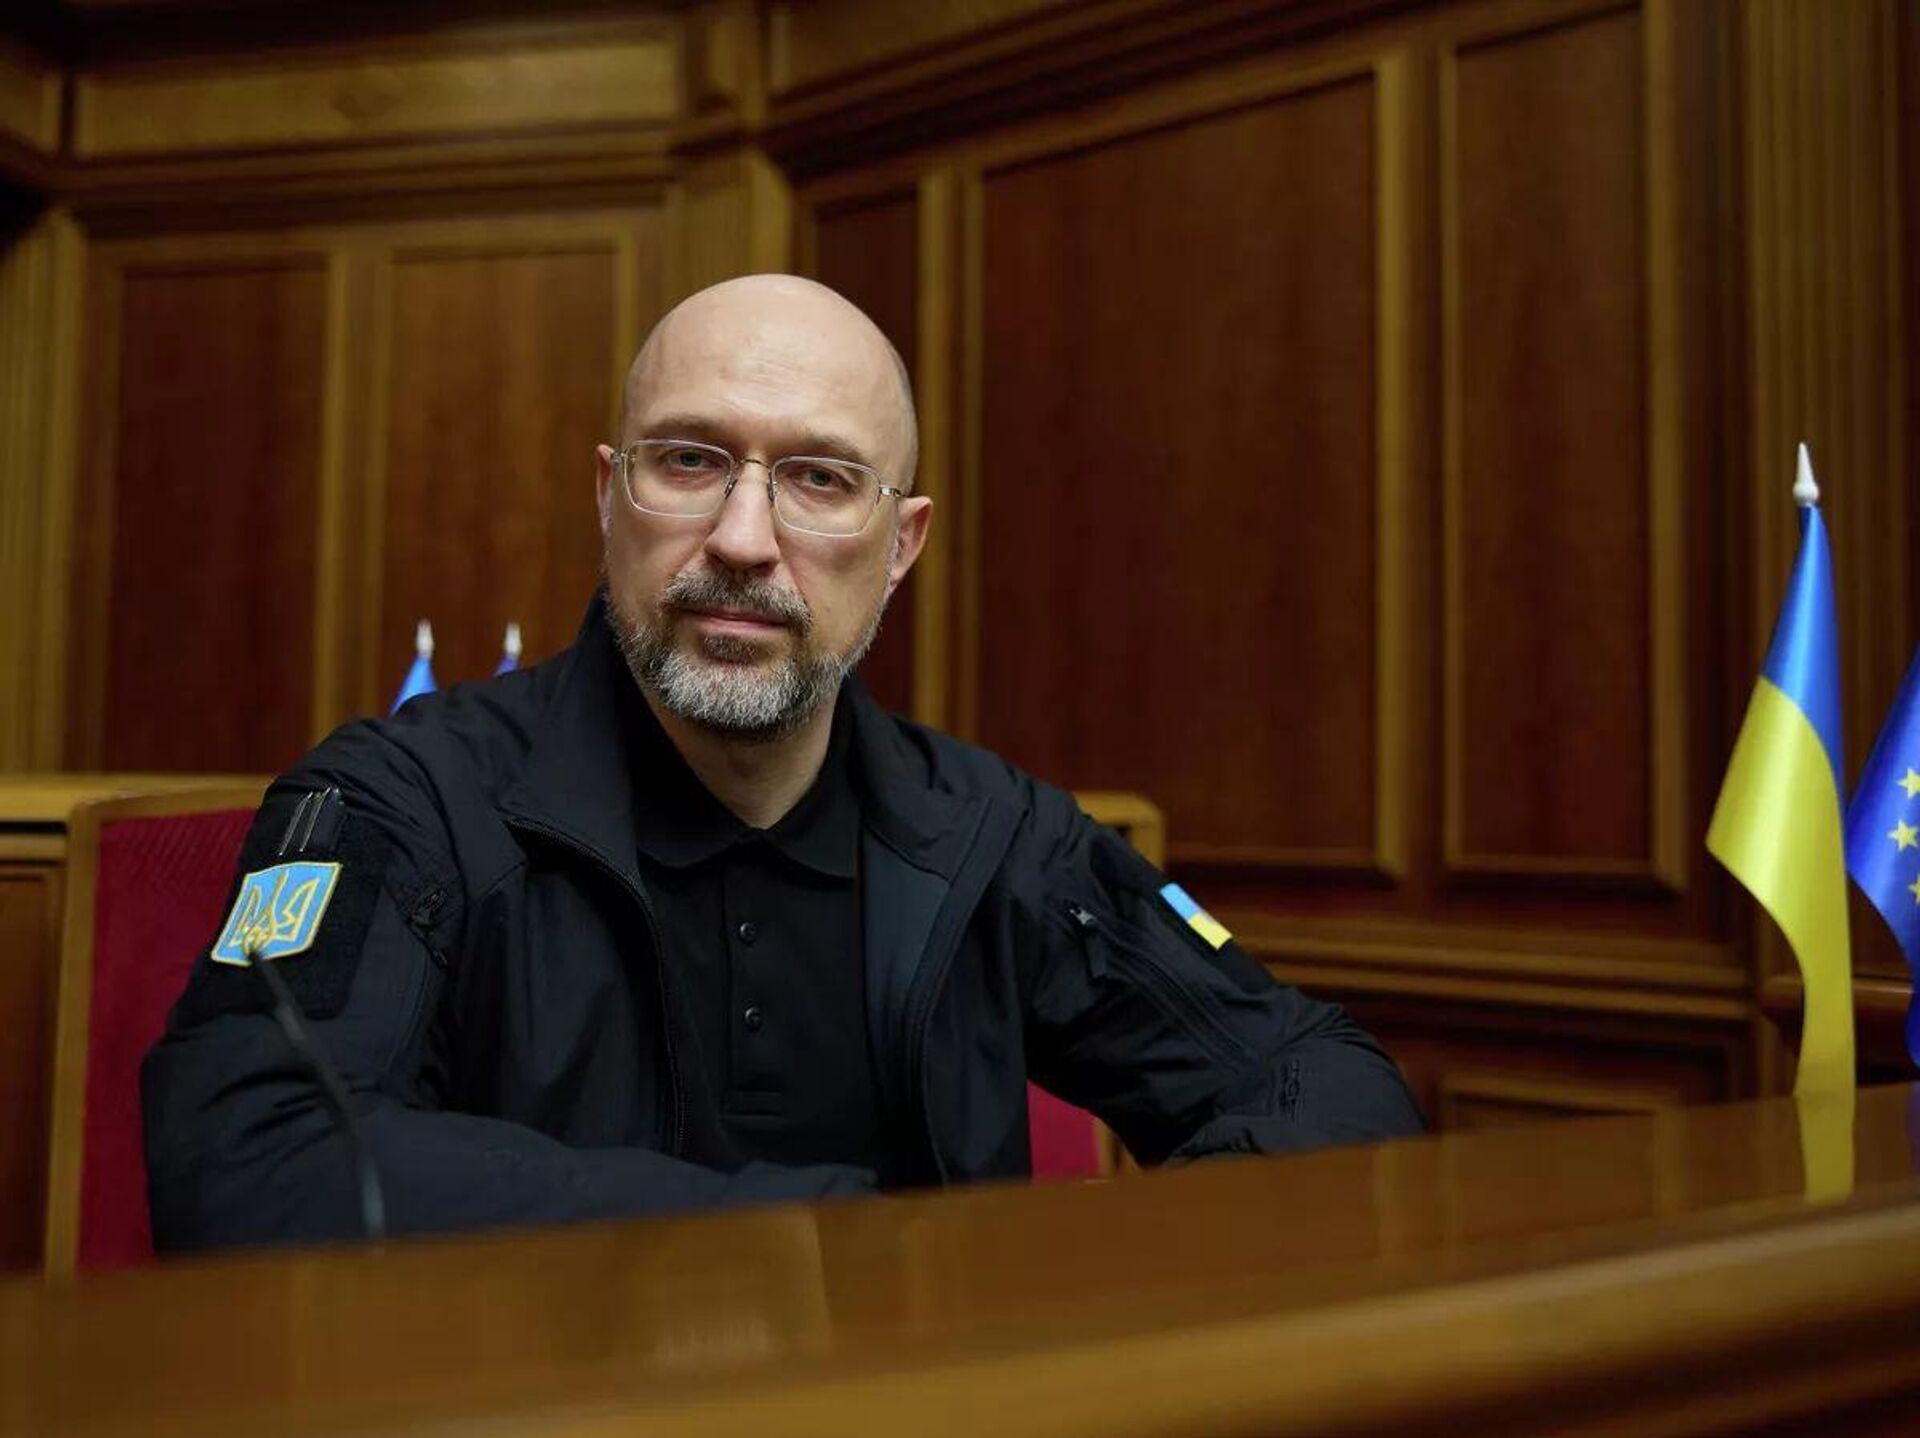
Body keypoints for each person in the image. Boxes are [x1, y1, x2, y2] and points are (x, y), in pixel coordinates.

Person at [142, 274, 1423, 1250]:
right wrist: (826, 1247)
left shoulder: (994, 833)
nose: (744, 538)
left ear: (903, 543)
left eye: (819, 478)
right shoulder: (404, 797)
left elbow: (1326, 1080)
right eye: (689, 460)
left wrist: (1086, 1270)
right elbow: (247, 1159)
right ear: (608, 496)